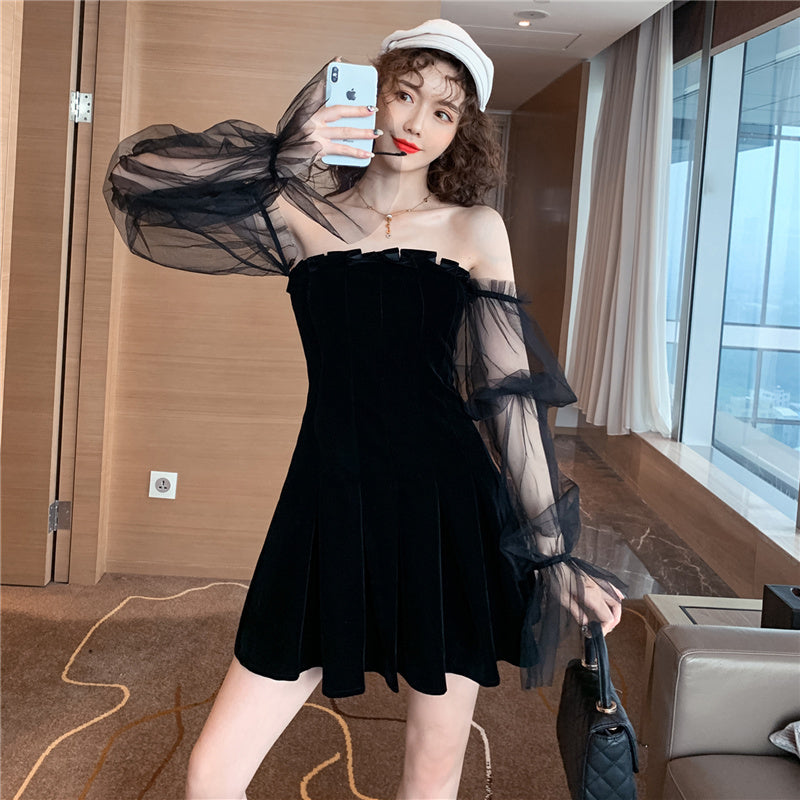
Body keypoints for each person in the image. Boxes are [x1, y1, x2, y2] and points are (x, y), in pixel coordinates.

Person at [104, 19, 625, 800]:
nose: (415, 123)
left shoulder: (475, 228)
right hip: (326, 503)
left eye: (443, 112)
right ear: (370, 96)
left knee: (431, 769)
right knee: (211, 775)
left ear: (460, 133)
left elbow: (511, 402)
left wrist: (554, 555)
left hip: (445, 508)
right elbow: (139, 179)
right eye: (403, 94)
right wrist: (284, 151)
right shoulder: (297, 211)